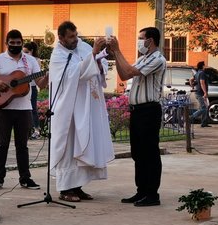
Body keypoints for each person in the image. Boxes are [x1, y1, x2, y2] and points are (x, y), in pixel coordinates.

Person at [49, 21, 114, 202]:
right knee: (69, 147)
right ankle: (64, 189)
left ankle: (77, 187)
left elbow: (98, 68)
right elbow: (71, 75)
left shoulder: (83, 47)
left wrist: (100, 59)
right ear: (60, 37)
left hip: (85, 107)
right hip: (68, 109)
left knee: (83, 144)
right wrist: (93, 54)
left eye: (76, 35)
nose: (75, 40)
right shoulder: (57, 55)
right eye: (71, 37)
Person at [0, 29, 48, 190]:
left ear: (22, 43)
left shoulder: (30, 61)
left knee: (22, 145)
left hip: (24, 109)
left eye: (18, 43)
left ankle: (25, 178)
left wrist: (49, 75)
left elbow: (40, 84)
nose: (15, 45)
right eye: (12, 43)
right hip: (3, 109)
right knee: (2, 145)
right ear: (6, 43)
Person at [108, 27, 166, 207]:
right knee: (138, 152)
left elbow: (132, 72)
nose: (139, 41)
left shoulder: (158, 59)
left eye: (141, 38)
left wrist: (118, 50)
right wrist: (114, 54)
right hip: (138, 111)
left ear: (151, 40)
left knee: (150, 152)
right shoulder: (143, 58)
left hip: (149, 110)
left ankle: (152, 193)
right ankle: (141, 190)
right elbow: (124, 74)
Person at [23, 41, 41, 139]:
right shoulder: (22, 59)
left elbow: (37, 74)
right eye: (23, 52)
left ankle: (37, 130)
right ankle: (27, 130)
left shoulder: (36, 60)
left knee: (33, 109)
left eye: (26, 52)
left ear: (31, 51)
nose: (24, 54)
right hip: (24, 87)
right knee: (25, 109)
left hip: (32, 87)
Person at [189, 61, 210, 127]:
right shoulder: (202, 73)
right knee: (203, 108)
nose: (205, 66)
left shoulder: (197, 73)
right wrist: (205, 93)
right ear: (202, 66)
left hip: (198, 92)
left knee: (205, 107)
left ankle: (204, 123)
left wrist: (192, 86)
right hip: (200, 93)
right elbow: (202, 83)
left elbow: (191, 79)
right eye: (204, 65)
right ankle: (191, 117)